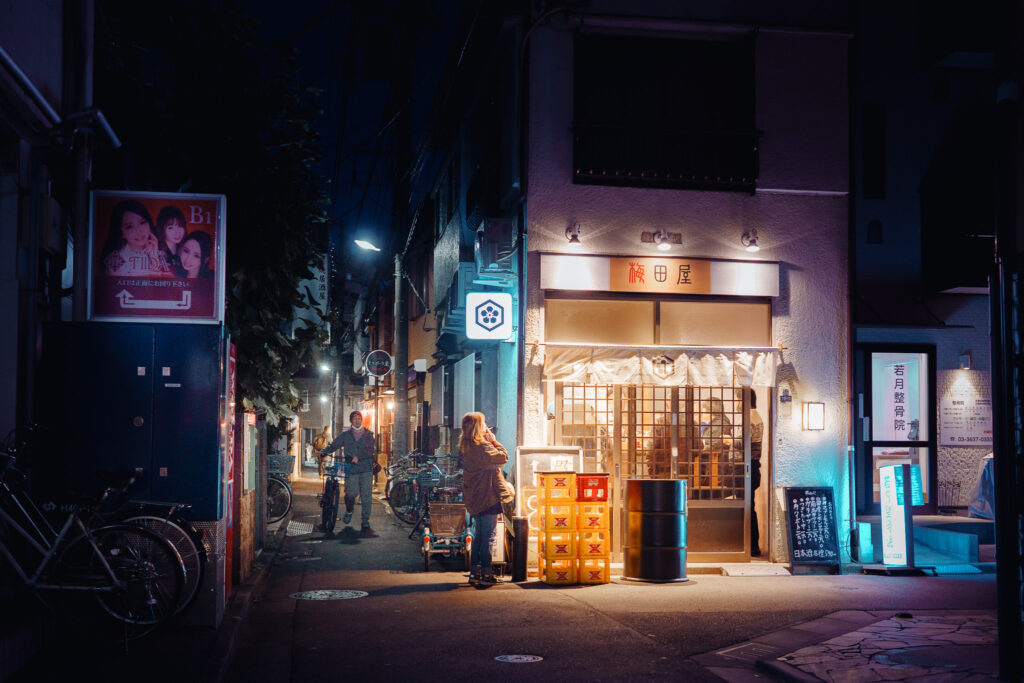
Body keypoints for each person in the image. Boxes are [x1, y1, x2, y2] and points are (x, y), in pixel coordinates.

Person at [460, 412, 512, 586]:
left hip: (474, 497)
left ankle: (475, 572)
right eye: (483, 424)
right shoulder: (482, 446)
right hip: (487, 496)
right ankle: (486, 574)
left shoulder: (466, 446)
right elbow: (503, 457)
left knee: (478, 536)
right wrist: (493, 440)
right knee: (487, 537)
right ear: (477, 428)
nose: (486, 427)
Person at [320, 411, 377, 537]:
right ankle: (349, 510)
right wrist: (324, 451)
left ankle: (365, 521)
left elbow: (371, 450)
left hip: (366, 469)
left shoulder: (368, 435)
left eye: (359, 418)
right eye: (355, 418)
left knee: (367, 497)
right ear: (351, 421)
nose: (357, 420)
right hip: (351, 469)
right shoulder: (345, 435)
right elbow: (334, 445)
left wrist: (358, 457)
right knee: (350, 494)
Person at [99, 200, 169, 276]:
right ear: (121, 232)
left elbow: (159, 284)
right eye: (129, 227)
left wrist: (154, 256)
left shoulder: (161, 251)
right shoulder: (115, 260)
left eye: (142, 223)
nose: (139, 232)